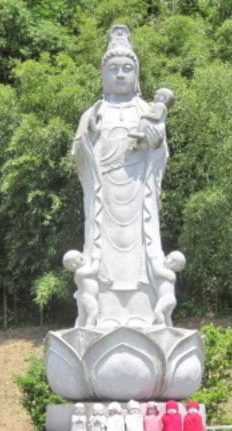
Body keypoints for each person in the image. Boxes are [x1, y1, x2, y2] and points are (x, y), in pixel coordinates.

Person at [70, 25, 172, 328]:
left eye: (127, 68)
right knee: (103, 253)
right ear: (103, 74)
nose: (120, 74)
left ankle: (144, 310)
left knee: (141, 252)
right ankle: (102, 313)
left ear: (136, 74)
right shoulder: (94, 114)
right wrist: (88, 139)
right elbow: (79, 152)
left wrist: (154, 140)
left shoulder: (146, 109)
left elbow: (160, 154)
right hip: (104, 198)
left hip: (139, 195)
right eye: (113, 68)